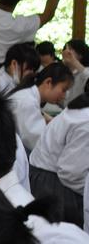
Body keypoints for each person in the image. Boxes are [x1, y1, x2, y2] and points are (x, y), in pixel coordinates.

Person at [29, 89, 89, 227]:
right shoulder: (87, 123)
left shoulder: (83, 108)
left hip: (46, 175)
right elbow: (70, 174)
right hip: (51, 183)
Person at [9, 62, 74, 152]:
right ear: (48, 82)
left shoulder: (29, 96)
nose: (64, 96)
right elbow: (38, 143)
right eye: (63, 90)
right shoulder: (27, 101)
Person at [61, 39, 89, 104]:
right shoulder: (64, 72)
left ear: (80, 54)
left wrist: (73, 61)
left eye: (70, 49)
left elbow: (87, 77)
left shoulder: (85, 70)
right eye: (65, 49)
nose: (66, 52)